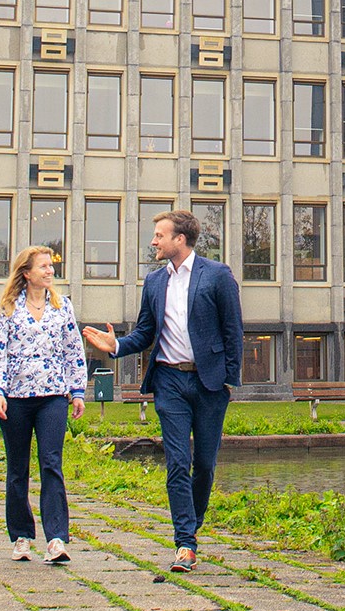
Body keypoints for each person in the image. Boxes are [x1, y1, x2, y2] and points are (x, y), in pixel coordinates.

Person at [82, 210, 242, 572]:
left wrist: (229, 378)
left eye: (159, 235)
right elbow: (144, 333)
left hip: (209, 383)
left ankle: (192, 525)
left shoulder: (217, 276)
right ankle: (185, 543)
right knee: (176, 462)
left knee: (204, 464)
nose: (153, 242)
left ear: (179, 240)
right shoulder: (154, 282)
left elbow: (233, 331)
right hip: (168, 381)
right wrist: (116, 345)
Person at [0, 245, 88, 564]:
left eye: (51, 266)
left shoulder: (62, 306)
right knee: (17, 468)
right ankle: (21, 537)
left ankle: (56, 538)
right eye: (43, 266)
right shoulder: (7, 308)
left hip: (52, 397)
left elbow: (74, 350)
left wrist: (78, 390)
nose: (50, 271)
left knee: (51, 463)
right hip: (14, 398)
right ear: (26, 272)